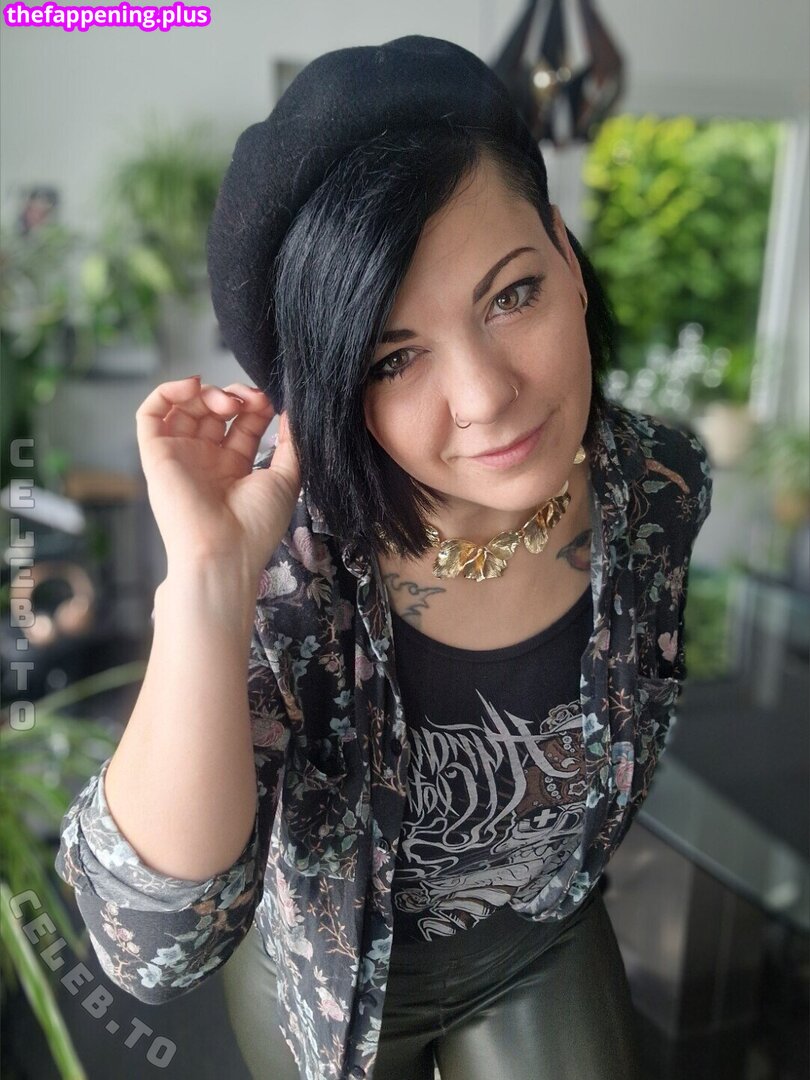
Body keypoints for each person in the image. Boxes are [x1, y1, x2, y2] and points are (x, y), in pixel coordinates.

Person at [55, 35, 713, 1080]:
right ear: (331, 392)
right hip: (327, 976)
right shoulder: (293, 562)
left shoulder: (662, 487)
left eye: (512, 295)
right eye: (395, 358)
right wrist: (211, 588)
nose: (486, 396)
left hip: (544, 936)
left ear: (565, 255)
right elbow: (150, 948)